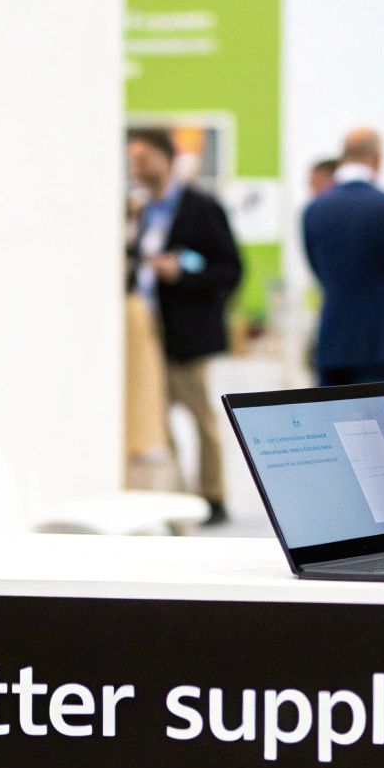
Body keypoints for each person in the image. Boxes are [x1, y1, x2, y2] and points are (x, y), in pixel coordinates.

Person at [126, 129, 243, 526]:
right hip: (145, 332)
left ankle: (213, 495)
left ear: (165, 158)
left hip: (187, 331)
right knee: (159, 423)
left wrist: (182, 274)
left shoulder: (200, 207)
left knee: (200, 416)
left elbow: (230, 269)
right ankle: (177, 500)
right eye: (132, 159)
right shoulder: (140, 211)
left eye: (143, 157)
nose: (137, 167)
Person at [302, 127, 384, 408]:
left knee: (333, 430)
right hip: (382, 340)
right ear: (377, 158)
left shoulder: (315, 210)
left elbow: (317, 267)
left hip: (335, 336)